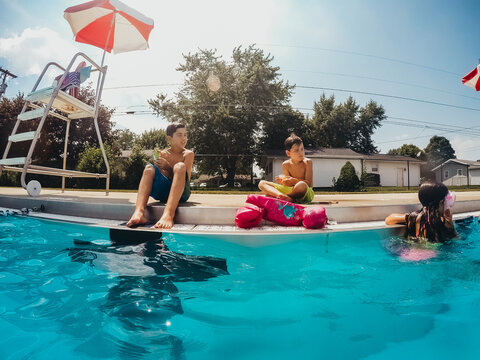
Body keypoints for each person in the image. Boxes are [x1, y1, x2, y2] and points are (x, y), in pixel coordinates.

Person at [127, 123, 194, 229]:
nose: (184, 138)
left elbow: (185, 179)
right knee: (149, 168)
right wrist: (160, 166)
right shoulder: (162, 154)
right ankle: (139, 213)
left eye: (185, 135)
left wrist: (168, 167)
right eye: (179, 135)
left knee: (180, 166)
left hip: (181, 193)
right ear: (169, 138)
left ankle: (168, 215)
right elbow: (160, 177)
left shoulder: (188, 154)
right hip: (162, 192)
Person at [385, 181, 456, 242]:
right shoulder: (443, 221)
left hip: (412, 253)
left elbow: (389, 220)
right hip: (435, 253)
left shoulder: (414, 217)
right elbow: (455, 239)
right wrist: (450, 224)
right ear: (441, 203)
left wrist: (407, 216)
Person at [258, 133, 314, 203]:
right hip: (291, 189)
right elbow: (287, 185)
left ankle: (286, 196)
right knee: (262, 183)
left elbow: (309, 184)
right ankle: (281, 195)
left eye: (302, 149)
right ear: (288, 153)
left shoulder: (308, 162)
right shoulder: (286, 164)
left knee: (301, 185)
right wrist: (283, 181)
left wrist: (295, 181)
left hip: (306, 192)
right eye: (296, 150)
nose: (300, 153)